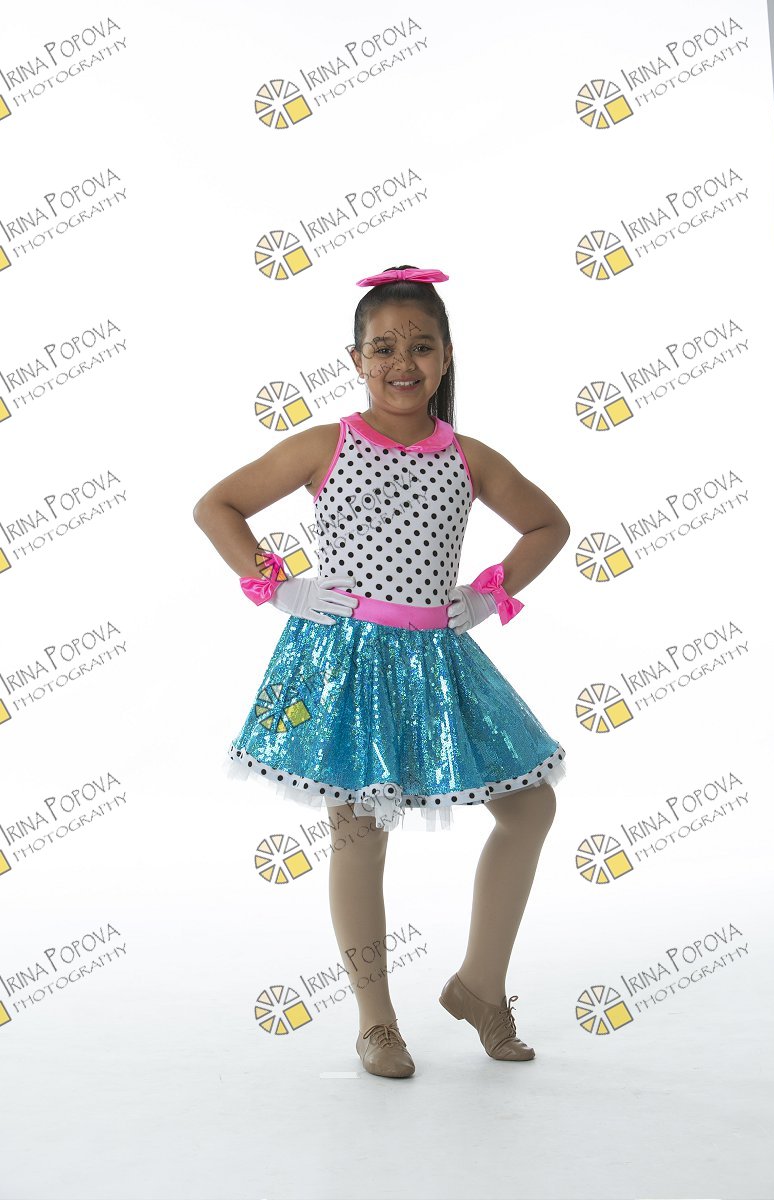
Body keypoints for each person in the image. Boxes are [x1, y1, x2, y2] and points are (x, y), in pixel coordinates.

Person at [193, 265, 570, 1080]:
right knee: (359, 832)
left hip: (438, 660)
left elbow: (548, 524)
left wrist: (488, 594)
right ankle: (376, 1021)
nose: (404, 362)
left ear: (446, 357)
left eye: (422, 346)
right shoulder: (325, 445)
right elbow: (216, 506)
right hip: (349, 660)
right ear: (356, 358)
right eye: (384, 347)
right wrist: (278, 586)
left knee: (530, 804)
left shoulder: (467, 457)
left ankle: (480, 987)